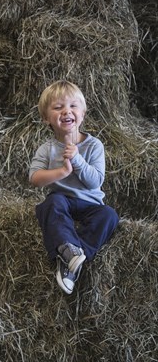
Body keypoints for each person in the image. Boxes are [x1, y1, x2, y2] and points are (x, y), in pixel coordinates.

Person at [29, 80, 119, 294]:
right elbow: (35, 177)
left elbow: (96, 181)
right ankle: (69, 252)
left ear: (83, 113)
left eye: (73, 106)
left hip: (90, 203)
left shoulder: (94, 145)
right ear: (46, 118)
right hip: (63, 200)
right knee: (51, 204)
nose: (66, 111)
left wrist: (77, 160)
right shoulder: (47, 148)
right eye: (58, 107)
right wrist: (61, 173)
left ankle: (74, 257)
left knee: (109, 215)